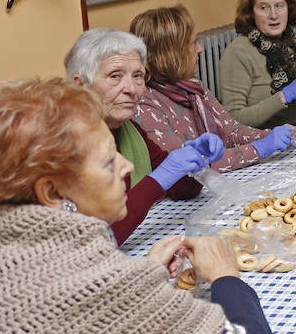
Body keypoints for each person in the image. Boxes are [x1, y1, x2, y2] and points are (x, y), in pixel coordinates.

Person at [0, 78, 271, 334]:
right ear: (53, 192)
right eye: (109, 162)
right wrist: (226, 277)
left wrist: (142, 278)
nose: (127, 167)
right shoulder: (91, 283)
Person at [65, 29, 218, 245]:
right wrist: (159, 179)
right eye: (115, 76)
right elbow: (98, 237)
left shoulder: (129, 129)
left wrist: (195, 160)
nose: (131, 89)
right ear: (81, 86)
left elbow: (182, 190)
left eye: (137, 76)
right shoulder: (65, 143)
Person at [130, 5, 296, 172]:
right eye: (193, 43)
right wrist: (259, 148)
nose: (200, 49)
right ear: (170, 55)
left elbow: (232, 132)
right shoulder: (144, 104)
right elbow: (191, 168)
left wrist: (270, 136)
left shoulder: (191, 86)